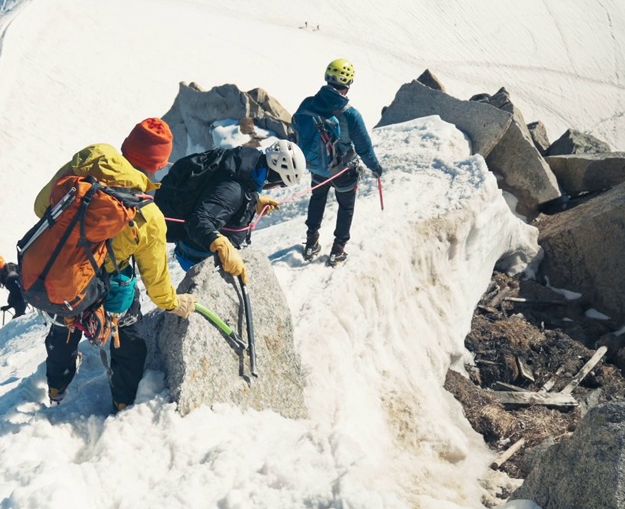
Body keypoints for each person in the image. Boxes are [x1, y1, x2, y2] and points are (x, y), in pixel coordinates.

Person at [31, 118, 197, 411]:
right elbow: (157, 285)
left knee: (62, 330)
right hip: (102, 290)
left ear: (126, 146)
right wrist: (175, 303)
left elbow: (40, 205)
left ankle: (57, 389)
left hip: (56, 273)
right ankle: (123, 402)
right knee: (130, 343)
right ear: (159, 165)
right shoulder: (148, 215)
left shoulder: (90, 160)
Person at [160, 140, 308, 278]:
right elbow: (198, 221)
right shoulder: (233, 189)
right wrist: (219, 244)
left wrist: (252, 200)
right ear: (277, 176)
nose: (278, 187)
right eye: (282, 184)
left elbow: (218, 195)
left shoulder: (245, 165)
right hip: (201, 257)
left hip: (199, 249)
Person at [292, 58, 384, 266]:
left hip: (317, 166)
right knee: (346, 207)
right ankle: (338, 249)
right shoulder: (350, 114)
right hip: (343, 170)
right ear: (349, 83)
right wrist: (375, 168)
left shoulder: (308, 103)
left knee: (317, 199)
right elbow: (364, 148)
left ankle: (311, 242)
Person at [0, 255, 26, 319]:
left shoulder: (10, 279)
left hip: (24, 297)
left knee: (13, 301)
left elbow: (19, 296)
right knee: (11, 300)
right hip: (27, 292)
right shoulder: (11, 268)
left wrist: (11, 306)